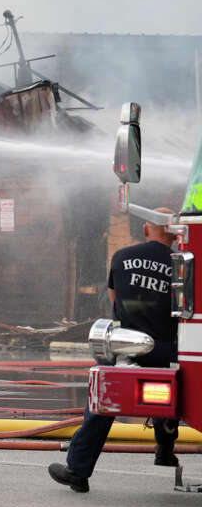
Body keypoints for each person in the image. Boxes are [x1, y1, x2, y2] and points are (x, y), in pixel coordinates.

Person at [49, 208, 179, 492]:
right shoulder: (182, 265)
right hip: (169, 350)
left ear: (146, 230)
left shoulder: (121, 257)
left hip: (128, 347)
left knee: (102, 401)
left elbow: (113, 300)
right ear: (174, 233)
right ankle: (165, 449)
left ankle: (78, 471)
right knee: (168, 396)